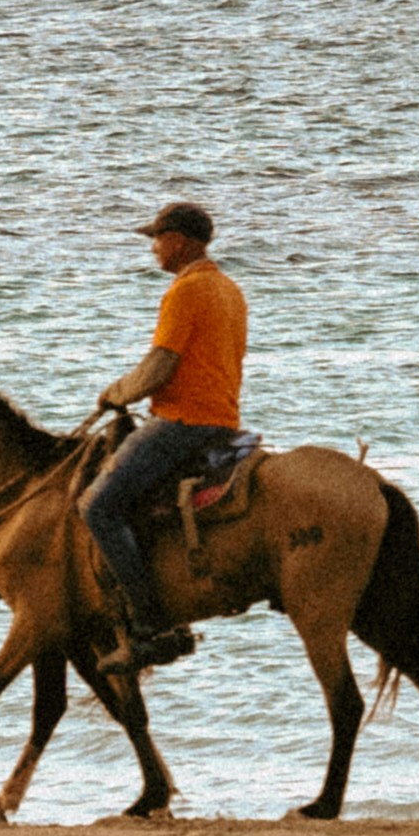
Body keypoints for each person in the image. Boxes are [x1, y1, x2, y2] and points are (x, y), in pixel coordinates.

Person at [83, 195, 249, 661]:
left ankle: (151, 624)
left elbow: (161, 365)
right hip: (225, 421)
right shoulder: (230, 290)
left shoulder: (184, 290)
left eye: (156, 240)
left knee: (98, 506)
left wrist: (118, 391)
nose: (153, 249)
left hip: (184, 422)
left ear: (177, 241)